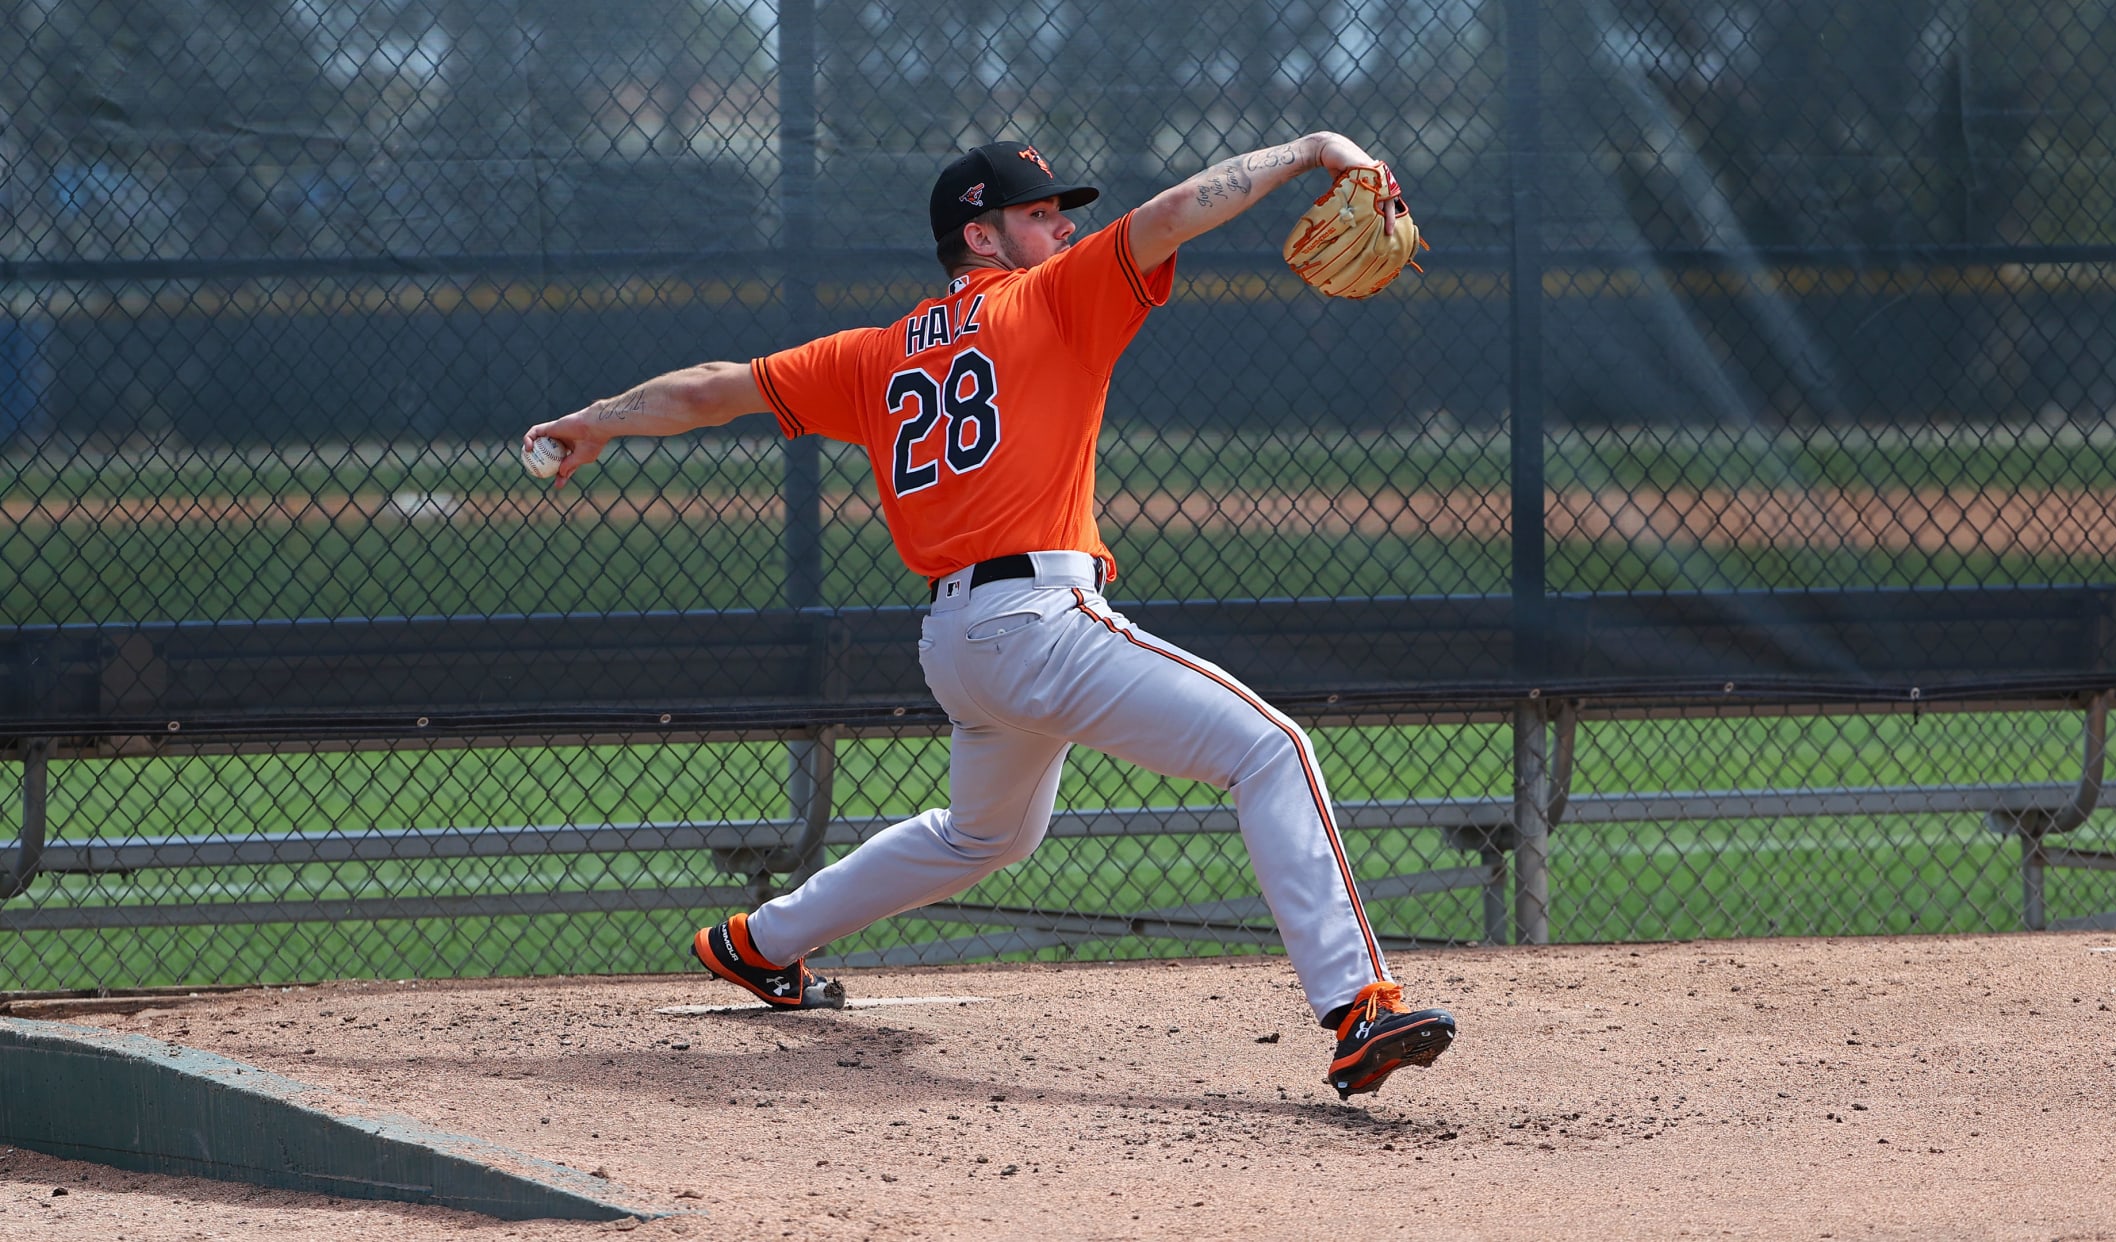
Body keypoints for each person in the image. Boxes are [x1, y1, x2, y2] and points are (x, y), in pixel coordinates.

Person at [524, 134, 1455, 1099]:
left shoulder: (875, 354)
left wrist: (593, 420)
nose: (1065, 228)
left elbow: (713, 390)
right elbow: (1176, 211)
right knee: (1270, 749)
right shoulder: (1051, 297)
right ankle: (1358, 1008)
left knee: (985, 838)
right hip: (1038, 621)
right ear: (980, 234)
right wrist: (1310, 150)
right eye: (1040, 214)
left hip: (957, 644)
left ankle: (759, 942)